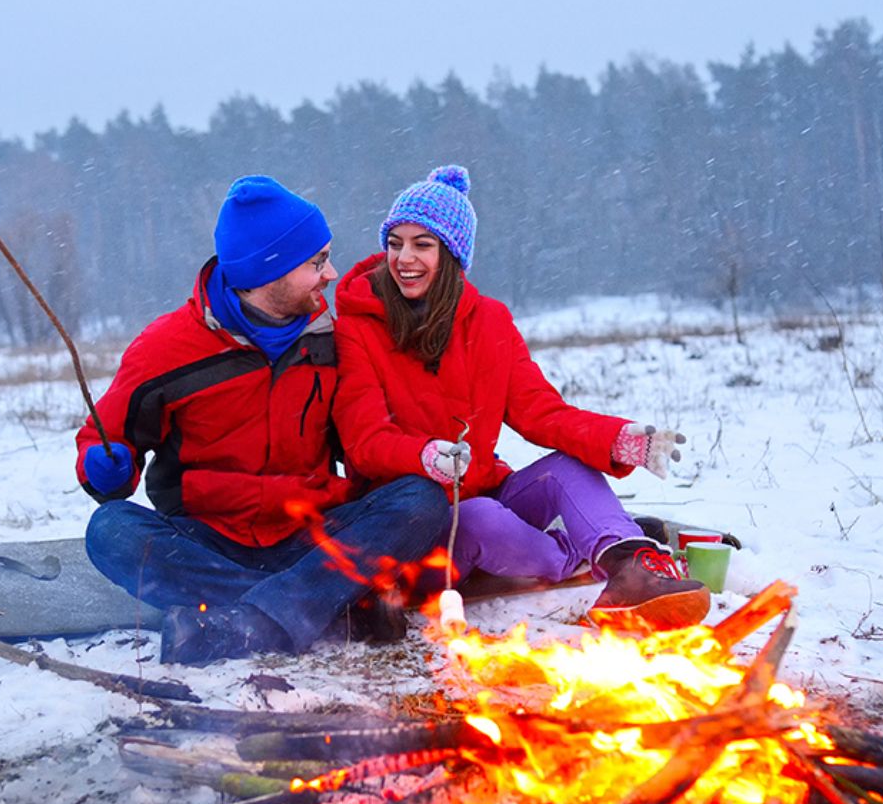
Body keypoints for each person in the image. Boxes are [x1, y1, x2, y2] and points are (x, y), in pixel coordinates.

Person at [75, 175, 448, 665]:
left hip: (308, 536)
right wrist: (107, 465)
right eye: (316, 262)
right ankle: (323, 608)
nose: (331, 273)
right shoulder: (164, 349)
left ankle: (246, 619)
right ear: (268, 271)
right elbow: (105, 447)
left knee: (421, 500)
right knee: (110, 530)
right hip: (207, 542)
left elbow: (362, 446)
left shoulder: (331, 342)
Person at [331, 165, 710, 630]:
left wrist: (617, 439)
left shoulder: (489, 321)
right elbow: (363, 440)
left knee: (567, 469)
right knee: (482, 518)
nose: (404, 258)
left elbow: (541, 412)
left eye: (422, 244)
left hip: (487, 490)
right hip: (416, 528)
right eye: (396, 243)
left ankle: (628, 569)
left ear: (451, 255)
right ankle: (568, 552)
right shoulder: (358, 327)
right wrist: (423, 455)